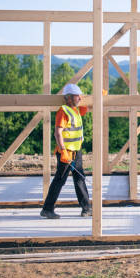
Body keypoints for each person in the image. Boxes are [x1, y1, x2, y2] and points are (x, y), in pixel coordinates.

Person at [40, 83, 92, 219]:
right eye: (77, 96)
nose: (80, 98)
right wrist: (63, 151)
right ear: (69, 98)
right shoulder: (63, 111)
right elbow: (58, 133)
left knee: (79, 178)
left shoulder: (76, 110)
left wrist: (99, 97)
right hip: (66, 152)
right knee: (60, 180)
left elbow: (88, 107)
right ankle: (47, 209)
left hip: (76, 151)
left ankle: (86, 208)